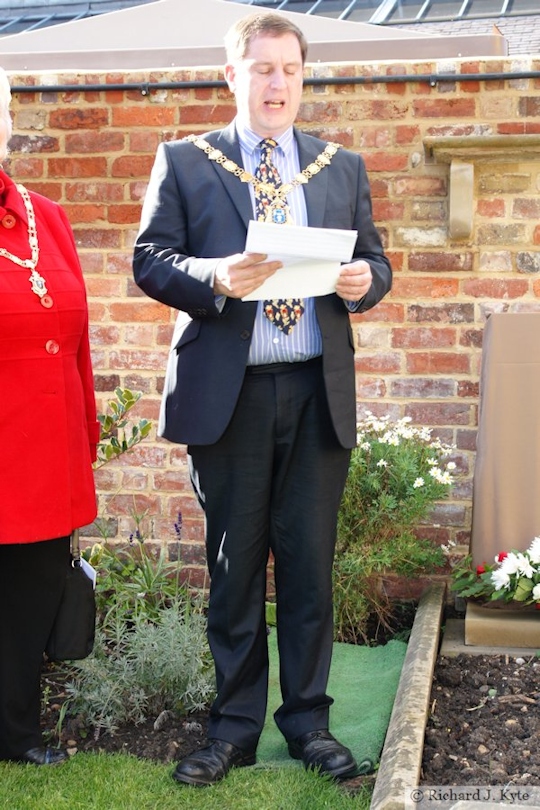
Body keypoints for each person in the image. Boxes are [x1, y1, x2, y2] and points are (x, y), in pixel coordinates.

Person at [133, 11, 392, 788]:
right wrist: (213, 276)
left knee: (310, 566)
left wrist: (363, 283)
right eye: (262, 69)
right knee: (234, 568)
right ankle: (234, 727)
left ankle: (309, 723)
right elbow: (149, 260)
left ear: (303, 78)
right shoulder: (185, 161)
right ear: (233, 76)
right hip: (232, 396)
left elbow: (377, 263)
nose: (276, 84)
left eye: (289, 70)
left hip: (317, 393)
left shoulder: (339, 167)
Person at [0, 67, 99, 765]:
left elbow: (77, 344)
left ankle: (16, 733)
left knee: (30, 598)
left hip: (44, 451)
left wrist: (82, 436)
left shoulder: (47, 217)